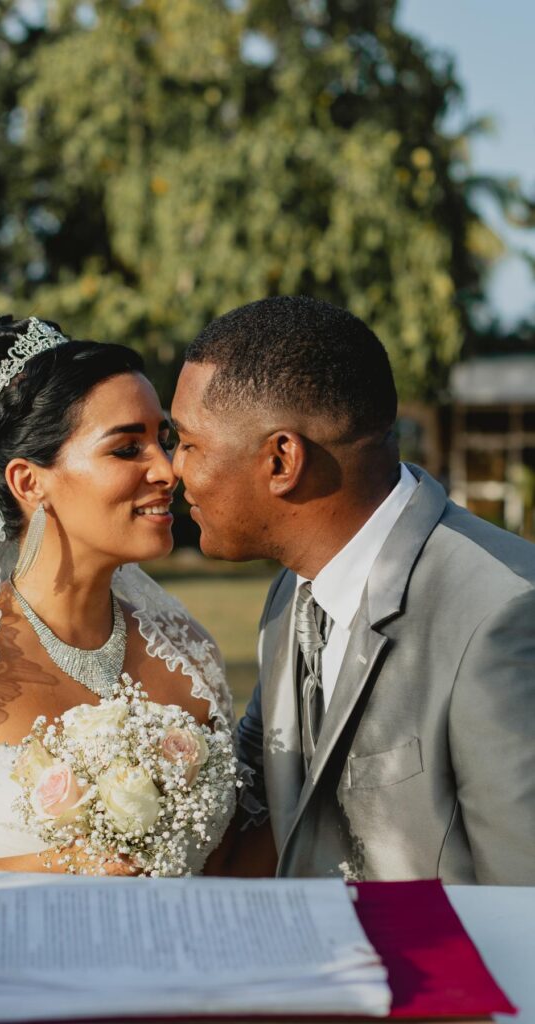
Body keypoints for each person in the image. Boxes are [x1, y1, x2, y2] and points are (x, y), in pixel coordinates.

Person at [171, 295, 535, 884]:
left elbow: (524, 897)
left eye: (188, 443)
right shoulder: (292, 592)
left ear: (281, 460)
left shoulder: (501, 612)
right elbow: (256, 791)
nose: (172, 468)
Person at [0, 315, 235, 873]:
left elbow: (232, 861)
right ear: (29, 482)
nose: (166, 470)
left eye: (164, 440)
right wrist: (56, 867)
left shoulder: (189, 654)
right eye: (127, 448)